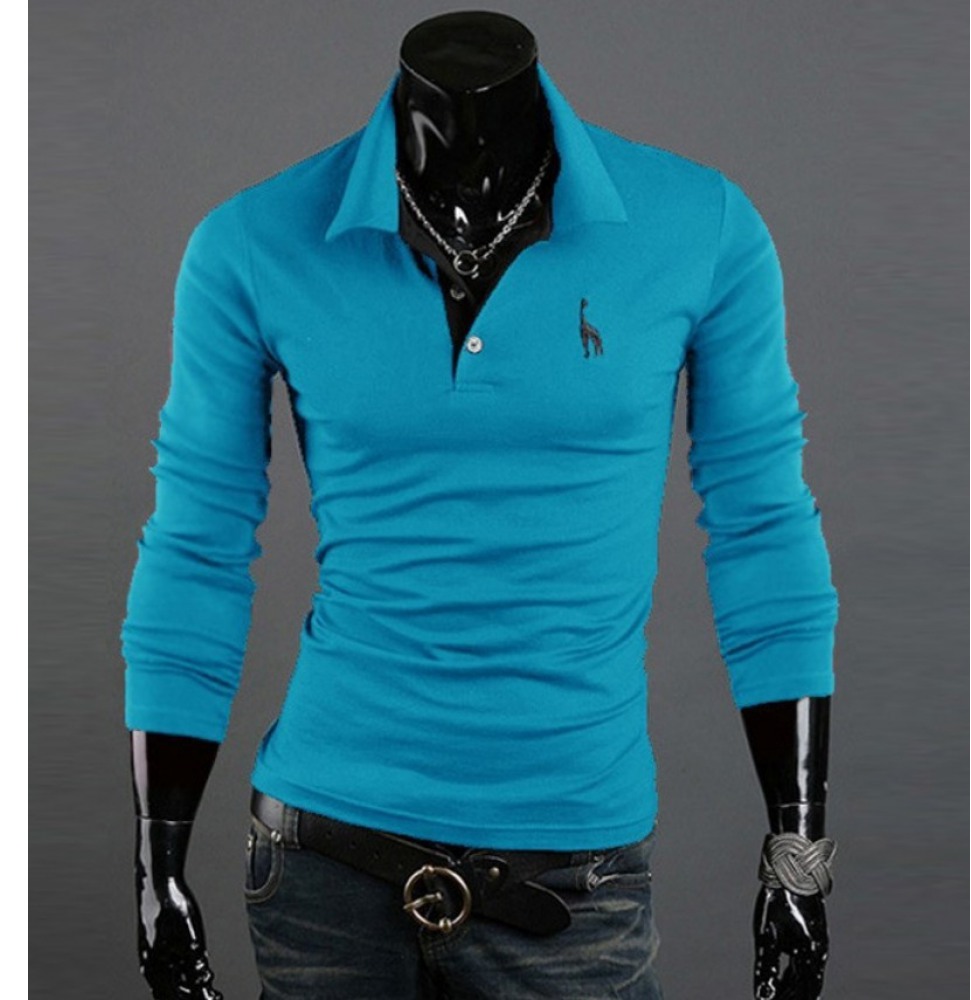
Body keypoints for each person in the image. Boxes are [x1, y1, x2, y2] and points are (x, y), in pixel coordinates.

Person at [122, 10, 840, 1000]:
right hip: (320, 873)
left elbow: (763, 532)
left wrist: (797, 849)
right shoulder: (253, 242)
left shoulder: (700, 226)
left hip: (572, 881)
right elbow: (195, 549)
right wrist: (155, 858)